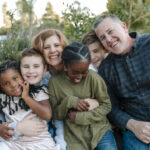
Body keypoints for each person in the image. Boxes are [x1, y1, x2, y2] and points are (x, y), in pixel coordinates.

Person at [93, 14, 150, 150]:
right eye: (103, 37)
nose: (108, 39)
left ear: (123, 27)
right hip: (135, 128)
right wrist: (134, 125)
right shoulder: (106, 69)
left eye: (110, 31)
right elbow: (110, 108)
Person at [48, 42, 118, 150]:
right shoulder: (54, 82)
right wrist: (69, 102)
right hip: (74, 136)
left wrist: (80, 117)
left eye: (84, 72)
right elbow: (56, 115)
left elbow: (106, 105)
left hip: (99, 130)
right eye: (75, 72)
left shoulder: (93, 77)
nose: (79, 77)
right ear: (66, 66)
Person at [0, 49, 60, 149]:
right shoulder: (3, 98)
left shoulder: (38, 92)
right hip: (15, 143)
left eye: (15, 78)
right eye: (6, 83)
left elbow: (47, 115)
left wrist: (26, 97)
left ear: (21, 76)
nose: (13, 85)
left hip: (41, 142)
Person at [32, 28, 68, 150]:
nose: (53, 50)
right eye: (47, 47)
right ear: (41, 53)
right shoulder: (41, 78)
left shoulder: (76, 68)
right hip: (56, 129)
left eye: (57, 45)